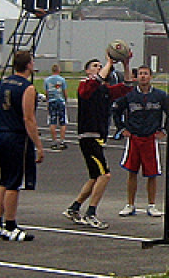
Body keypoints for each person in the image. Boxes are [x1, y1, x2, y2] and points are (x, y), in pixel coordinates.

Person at [63, 55, 133, 230]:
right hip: (88, 136)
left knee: (95, 176)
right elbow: (95, 82)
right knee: (105, 175)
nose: (99, 67)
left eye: (100, 65)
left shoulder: (105, 90)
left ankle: (74, 208)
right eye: (95, 65)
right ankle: (91, 213)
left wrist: (126, 64)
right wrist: (109, 62)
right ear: (87, 70)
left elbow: (127, 87)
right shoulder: (85, 85)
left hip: (98, 136)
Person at [0, 50, 44, 241]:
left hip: (3, 133)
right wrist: (38, 144)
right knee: (14, 182)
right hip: (17, 136)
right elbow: (29, 118)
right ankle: (11, 225)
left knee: (4, 180)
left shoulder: (4, 82)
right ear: (29, 65)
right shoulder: (27, 88)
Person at [114, 65, 169, 218]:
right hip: (134, 138)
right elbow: (116, 111)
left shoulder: (160, 96)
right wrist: (122, 129)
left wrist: (164, 130)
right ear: (136, 77)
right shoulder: (129, 96)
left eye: (146, 74)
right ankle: (130, 204)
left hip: (150, 139)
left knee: (152, 173)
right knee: (132, 171)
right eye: (140, 74)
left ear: (151, 77)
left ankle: (152, 204)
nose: (143, 76)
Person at [44, 64, 68, 151]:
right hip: (60, 100)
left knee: (52, 121)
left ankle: (54, 141)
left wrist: (47, 100)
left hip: (51, 101)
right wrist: (65, 99)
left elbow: (46, 92)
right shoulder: (62, 80)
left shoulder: (47, 80)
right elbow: (64, 91)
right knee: (62, 121)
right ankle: (62, 141)